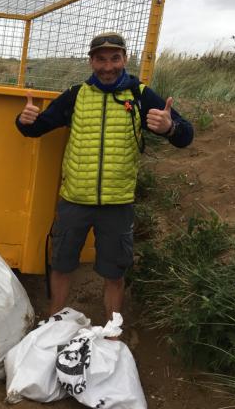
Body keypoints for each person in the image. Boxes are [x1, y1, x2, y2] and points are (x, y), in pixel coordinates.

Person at [16, 32, 193, 323]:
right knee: (61, 265)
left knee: (115, 272)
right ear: (91, 62)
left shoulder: (139, 95)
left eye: (115, 58)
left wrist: (170, 127)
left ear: (124, 59)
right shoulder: (76, 95)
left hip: (118, 204)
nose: (108, 66)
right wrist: (25, 121)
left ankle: (112, 331)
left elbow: (186, 136)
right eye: (101, 59)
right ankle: (53, 324)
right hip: (74, 201)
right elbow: (37, 129)